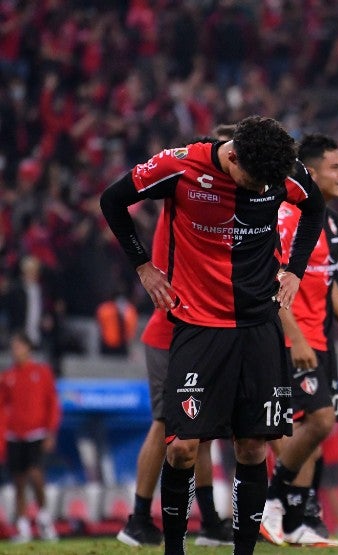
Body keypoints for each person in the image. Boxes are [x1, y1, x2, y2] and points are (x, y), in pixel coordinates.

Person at [100, 115, 325, 555]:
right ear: (233, 156)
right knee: (183, 447)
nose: (262, 190)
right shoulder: (179, 166)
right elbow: (112, 200)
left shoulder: (281, 171)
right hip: (199, 328)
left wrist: (295, 271)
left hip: (259, 325)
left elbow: (314, 208)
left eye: (269, 185)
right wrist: (143, 266)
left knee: (253, 447)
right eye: (253, 180)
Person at [117, 127, 238, 549]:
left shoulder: (217, 199)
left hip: (191, 324)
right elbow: (117, 198)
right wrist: (143, 266)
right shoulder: (186, 186)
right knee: (169, 424)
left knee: (196, 428)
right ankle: (136, 518)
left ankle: (207, 518)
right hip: (171, 326)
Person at [260, 133, 338, 548]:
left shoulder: (331, 221)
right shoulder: (286, 216)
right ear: (310, 171)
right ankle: (271, 504)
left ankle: (294, 520)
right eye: (336, 167)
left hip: (320, 339)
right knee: (317, 423)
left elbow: (330, 282)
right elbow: (272, 281)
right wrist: (296, 337)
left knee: (316, 431)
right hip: (294, 339)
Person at [0, 332, 60, 543]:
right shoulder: (7, 377)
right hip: (14, 435)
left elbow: (52, 403)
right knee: (18, 481)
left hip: (36, 433)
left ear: (27, 348)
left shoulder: (42, 372)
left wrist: (51, 431)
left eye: (18, 346)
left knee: (35, 474)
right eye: (13, 347)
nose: (15, 351)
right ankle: (23, 525)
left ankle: (43, 516)